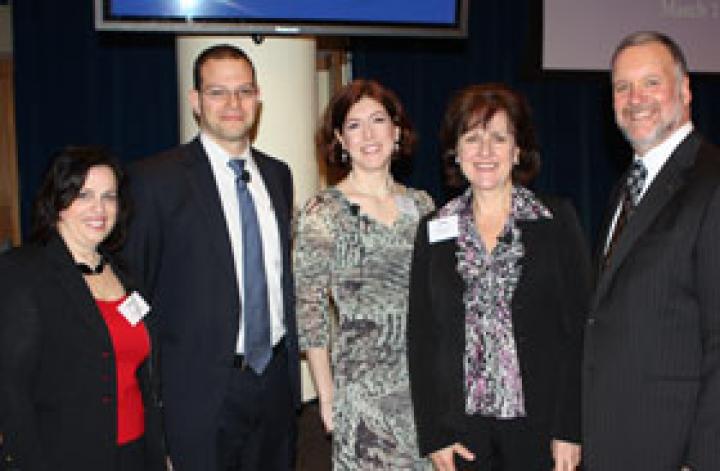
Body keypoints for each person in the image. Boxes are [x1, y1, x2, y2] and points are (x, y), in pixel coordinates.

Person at [122, 44, 300, 470]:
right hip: (197, 394)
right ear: (195, 101)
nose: (233, 104)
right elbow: (136, 291)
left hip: (274, 382)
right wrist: (154, 410)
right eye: (218, 92)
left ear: (258, 99)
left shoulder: (279, 175)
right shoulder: (154, 181)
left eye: (244, 91)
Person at [408, 83, 591, 471]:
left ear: (517, 149)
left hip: (542, 430)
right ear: (456, 153)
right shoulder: (433, 229)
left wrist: (571, 428)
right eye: (472, 138)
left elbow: (581, 331)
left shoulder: (556, 221)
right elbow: (421, 338)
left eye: (498, 138)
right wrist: (433, 434)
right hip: (461, 432)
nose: (485, 151)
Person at [583, 31, 720, 471]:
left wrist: (702, 460)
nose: (635, 98)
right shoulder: (626, 187)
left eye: (650, 83)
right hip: (615, 443)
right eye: (622, 87)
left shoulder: (712, 183)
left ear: (684, 90)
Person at [294, 79, 434, 469]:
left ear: (397, 130)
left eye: (378, 120)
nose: (369, 135)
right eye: (354, 125)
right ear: (340, 138)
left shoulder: (424, 207)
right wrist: (327, 395)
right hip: (360, 391)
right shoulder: (322, 212)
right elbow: (310, 312)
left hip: (424, 390)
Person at [0, 147, 165, 470]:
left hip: (137, 453)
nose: (99, 208)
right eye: (84, 194)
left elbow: (144, 377)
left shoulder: (125, 273)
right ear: (58, 202)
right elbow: (11, 390)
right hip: (62, 455)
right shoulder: (24, 272)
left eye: (109, 196)